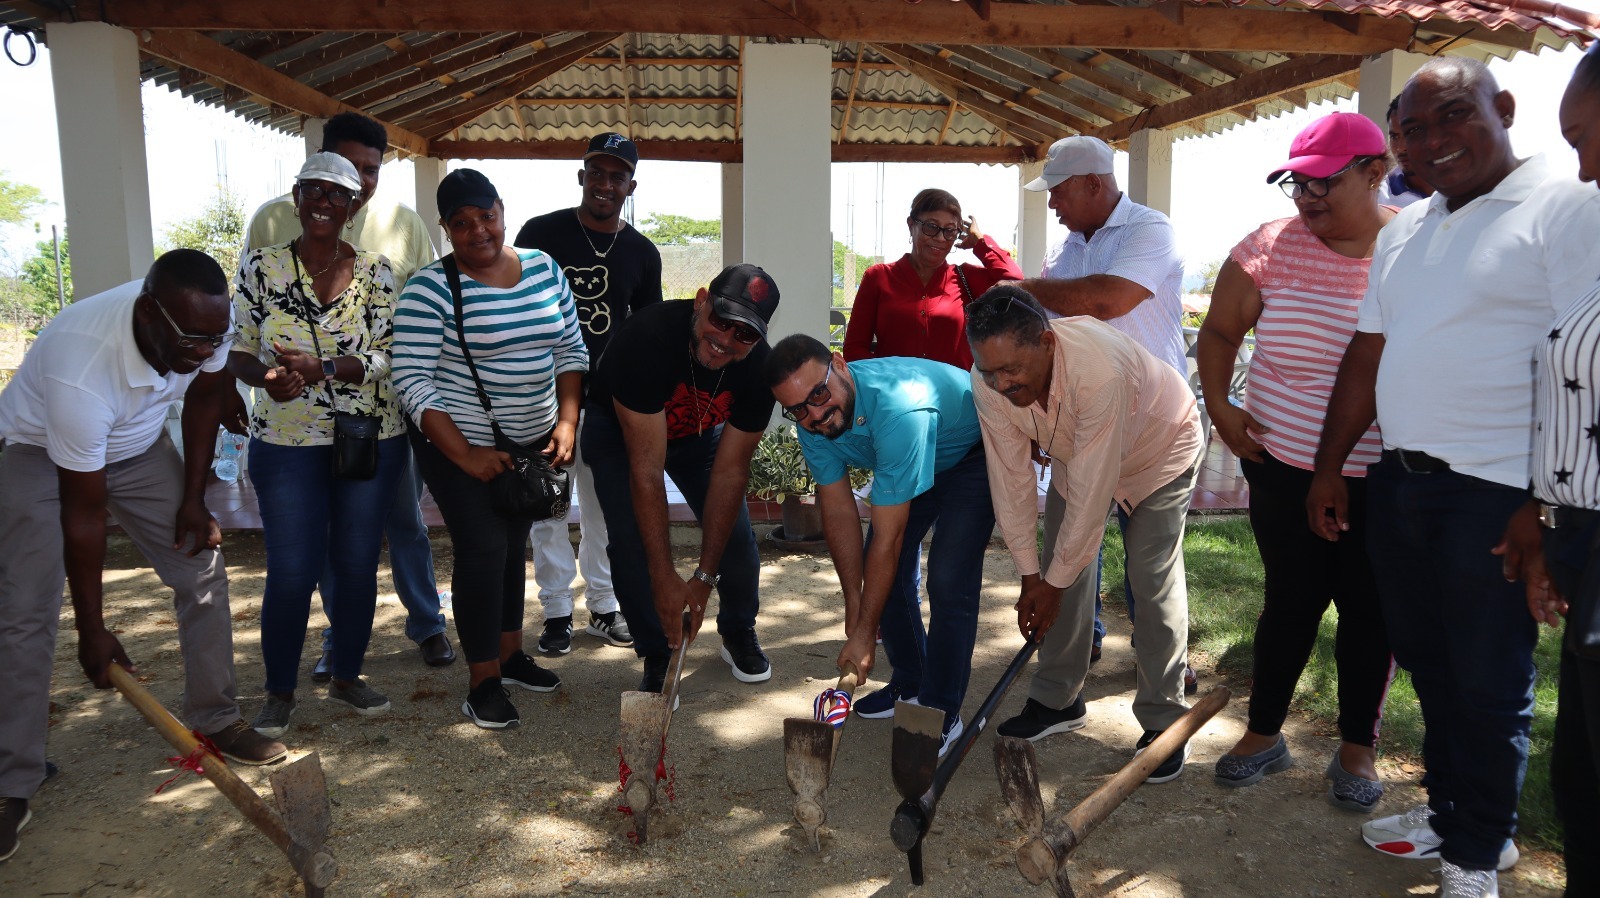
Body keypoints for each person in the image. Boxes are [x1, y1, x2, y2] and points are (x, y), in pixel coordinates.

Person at [1308, 57, 1600, 898]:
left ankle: (1479, 856)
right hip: (1400, 485)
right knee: (1432, 667)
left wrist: (1540, 504)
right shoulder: (1405, 228)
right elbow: (1371, 352)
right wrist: (1333, 466)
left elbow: (1584, 360)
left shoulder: (1567, 206)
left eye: (1453, 118)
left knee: (1488, 681)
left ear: (1504, 109)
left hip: (1498, 495)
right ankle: (1453, 813)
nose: (1432, 144)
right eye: (1411, 131)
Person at [0, 251, 287, 863]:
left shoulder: (204, 322)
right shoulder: (82, 368)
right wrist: (94, 629)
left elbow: (208, 396)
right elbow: (84, 516)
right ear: (148, 313)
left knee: (202, 565)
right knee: (26, 610)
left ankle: (215, 717)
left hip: (137, 445)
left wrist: (193, 499)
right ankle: (11, 782)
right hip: (38, 451)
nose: (202, 350)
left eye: (214, 338)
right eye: (191, 341)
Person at [1197, 112, 1396, 810]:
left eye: (1324, 181)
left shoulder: (1407, 246)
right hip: (1280, 462)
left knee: (1370, 608)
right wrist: (1221, 407)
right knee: (1291, 599)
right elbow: (1220, 332)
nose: (1307, 197)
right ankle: (1264, 732)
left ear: (1375, 171)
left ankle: (1357, 748)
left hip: (1378, 472)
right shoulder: (1269, 246)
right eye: (1296, 183)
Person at [244, 111, 454, 674]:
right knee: (330, 543)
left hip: (381, 415)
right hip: (296, 425)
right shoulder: (269, 225)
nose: (358, 183)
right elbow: (251, 324)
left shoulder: (404, 226)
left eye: (371, 170)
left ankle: (427, 623)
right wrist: (268, 376)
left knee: (404, 519)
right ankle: (341, 645)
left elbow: (423, 316)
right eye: (348, 167)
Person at [970, 286, 1203, 784]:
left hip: (1159, 451)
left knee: (1149, 577)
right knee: (1060, 568)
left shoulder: (1098, 372)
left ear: (1048, 344)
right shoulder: (987, 382)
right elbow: (1010, 480)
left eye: (1012, 370)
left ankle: (1164, 721)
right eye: (989, 371)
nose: (1001, 384)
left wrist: (1051, 586)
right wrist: (1032, 577)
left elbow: (1094, 500)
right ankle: (1057, 700)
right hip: (1081, 452)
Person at [392, 169, 587, 730]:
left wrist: (567, 422)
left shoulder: (544, 269)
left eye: (487, 217)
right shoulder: (430, 289)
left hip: (531, 440)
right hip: (458, 444)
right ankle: (482, 682)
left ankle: (508, 655)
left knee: (512, 543)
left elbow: (571, 351)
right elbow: (411, 380)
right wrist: (465, 455)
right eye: (462, 224)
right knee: (481, 549)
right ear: (446, 230)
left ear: (503, 210)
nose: (479, 231)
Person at [230, 152, 410, 737]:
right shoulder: (260, 267)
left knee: (356, 565)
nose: (324, 203)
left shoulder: (380, 273)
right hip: (284, 439)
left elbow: (391, 356)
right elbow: (239, 348)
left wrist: (324, 366)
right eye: (313, 191)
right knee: (290, 568)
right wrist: (267, 380)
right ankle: (279, 690)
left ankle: (347, 675)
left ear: (354, 204)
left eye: (337, 194)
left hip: (368, 439)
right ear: (296, 196)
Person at [1013, 135, 1193, 686]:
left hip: (1150, 428)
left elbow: (1105, 300)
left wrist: (1022, 287)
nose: (1052, 205)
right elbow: (1051, 334)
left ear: (1095, 183)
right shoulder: (1065, 250)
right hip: (1080, 426)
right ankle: (1067, 671)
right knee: (1070, 551)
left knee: (1150, 569)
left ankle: (1163, 672)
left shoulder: (1149, 230)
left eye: (1059, 192)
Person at [765, 335, 995, 756]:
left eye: (819, 393)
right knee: (877, 579)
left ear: (839, 365)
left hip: (970, 455)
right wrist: (855, 603)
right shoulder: (811, 424)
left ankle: (942, 709)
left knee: (947, 577)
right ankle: (911, 680)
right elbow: (836, 510)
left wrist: (867, 633)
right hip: (909, 457)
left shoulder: (897, 410)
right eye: (798, 409)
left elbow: (887, 541)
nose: (815, 413)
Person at [1500, 44, 1600, 898]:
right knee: (1582, 777)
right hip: (1581, 533)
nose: (1586, 167)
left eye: (1588, 138)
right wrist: (1545, 521)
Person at [582, 264, 779, 692]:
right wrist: (664, 575)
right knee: (633, 541)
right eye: (721, 321)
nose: (726, 340)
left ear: (759, 337)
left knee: (736, 538)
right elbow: (646, 471)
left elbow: (730, 474)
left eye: (744, 334)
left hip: (697, 433)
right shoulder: (646, 339)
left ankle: (738, 630)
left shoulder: (760, 371)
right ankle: (657, 651)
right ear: (701, 300)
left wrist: (704, 578)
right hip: (619, 434)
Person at [513, 132, 662, 655]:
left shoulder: (642, 253)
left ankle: (603, 605)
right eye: (596, 173)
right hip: (541, 396)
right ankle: (556, 612)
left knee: (604, 510)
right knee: (548, 508)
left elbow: (646, 333)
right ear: (581, 176)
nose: (604, 184)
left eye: (616, 175)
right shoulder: (540, 233)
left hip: (607, 404)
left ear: (631, 185)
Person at [842, 188, 1022, 370]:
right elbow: (854, 349)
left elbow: (1015, 283)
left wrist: (981, 242)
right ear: (911, 225)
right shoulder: (878, 278)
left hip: (956, 396)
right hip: (894, 396)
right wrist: (886, 378)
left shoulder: (966, 278)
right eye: (931, 227)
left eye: (950, 231)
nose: (940, 238)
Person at [1380, 94, 1434, 209]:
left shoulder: (1469, 188)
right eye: (1394, 137)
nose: (1401, 147)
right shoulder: (1380, 198)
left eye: (1412, 133)